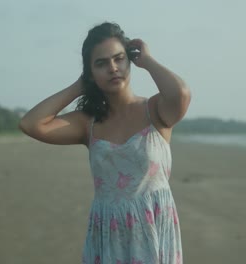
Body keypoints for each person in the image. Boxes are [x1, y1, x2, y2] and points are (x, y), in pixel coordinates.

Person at [19, 22, 191, 264]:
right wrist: (80, 86)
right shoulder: (87, 123)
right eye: (101, 63)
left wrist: (148, 61)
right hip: (108, 237)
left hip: (153, 230)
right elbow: (31, 124)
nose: (112, 68)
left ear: (129, 61)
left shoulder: (155, 111)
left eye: (119, 59)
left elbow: (181, 94)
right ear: (90, 72)